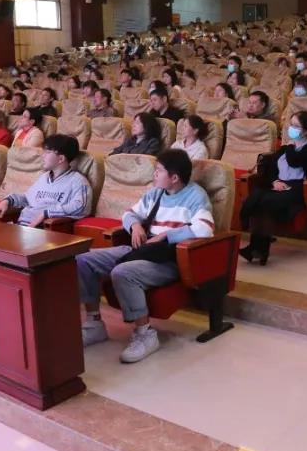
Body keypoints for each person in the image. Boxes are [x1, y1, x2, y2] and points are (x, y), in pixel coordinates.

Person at [77, 149, 214, 363]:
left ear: (174, 177)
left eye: (159, 170)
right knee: (83, 260)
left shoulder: (196, 196)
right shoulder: (155, 193)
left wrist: (166, 236)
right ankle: (94, 323)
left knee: (123, 272)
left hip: (169, 259)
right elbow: (129, 213)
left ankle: (145, 334)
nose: (154, 174)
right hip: (143, 249)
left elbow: (205, 229)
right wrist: (135, 226)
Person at [238, 111, 307, 265]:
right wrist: (275, 181)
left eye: (296, 126)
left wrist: (290, 145)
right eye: (291, 124)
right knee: (258, 194)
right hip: (279, 185)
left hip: (299, 187)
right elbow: (271, 169)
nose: (291, 128)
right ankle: (257, 247)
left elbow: (294, 161)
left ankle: (256, 247)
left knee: (265, 201)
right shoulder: (284, 149)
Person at [0, 134, 91, 227]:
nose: (42, 156)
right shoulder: (44, 177)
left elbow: (81, 207)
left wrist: (47, 213)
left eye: (47, 152)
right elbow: (28, 199)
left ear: (61, 159)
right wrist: (8, 201)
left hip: (42, 230)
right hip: (22, 227)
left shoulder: (78, 181)